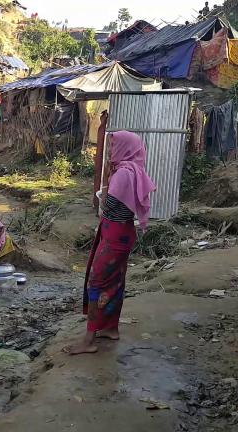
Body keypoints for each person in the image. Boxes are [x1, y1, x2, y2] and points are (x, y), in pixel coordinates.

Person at [67, 131, 156, 355]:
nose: (109, 150)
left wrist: (106, 188)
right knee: (115, 282)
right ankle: (110, 329)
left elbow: (110, 206)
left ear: (125, 147)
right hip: (120, 233)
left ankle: (89, 341)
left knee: (96, 283)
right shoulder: (130, 169)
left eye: (112, 146)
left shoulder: (123, 174)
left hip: (115, 235)